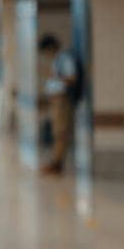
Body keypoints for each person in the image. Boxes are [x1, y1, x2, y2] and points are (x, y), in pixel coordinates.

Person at [39, 34, 80, 174]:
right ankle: (55, 161)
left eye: (46, 51)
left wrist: (56, 77)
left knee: (61, 131)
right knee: (57, 131)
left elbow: (72, 78)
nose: (46, 55)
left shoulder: (65, 58)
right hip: (56, 100)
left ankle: (57, 163)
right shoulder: (58, 59)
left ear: (51, 47)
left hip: (63, 100)